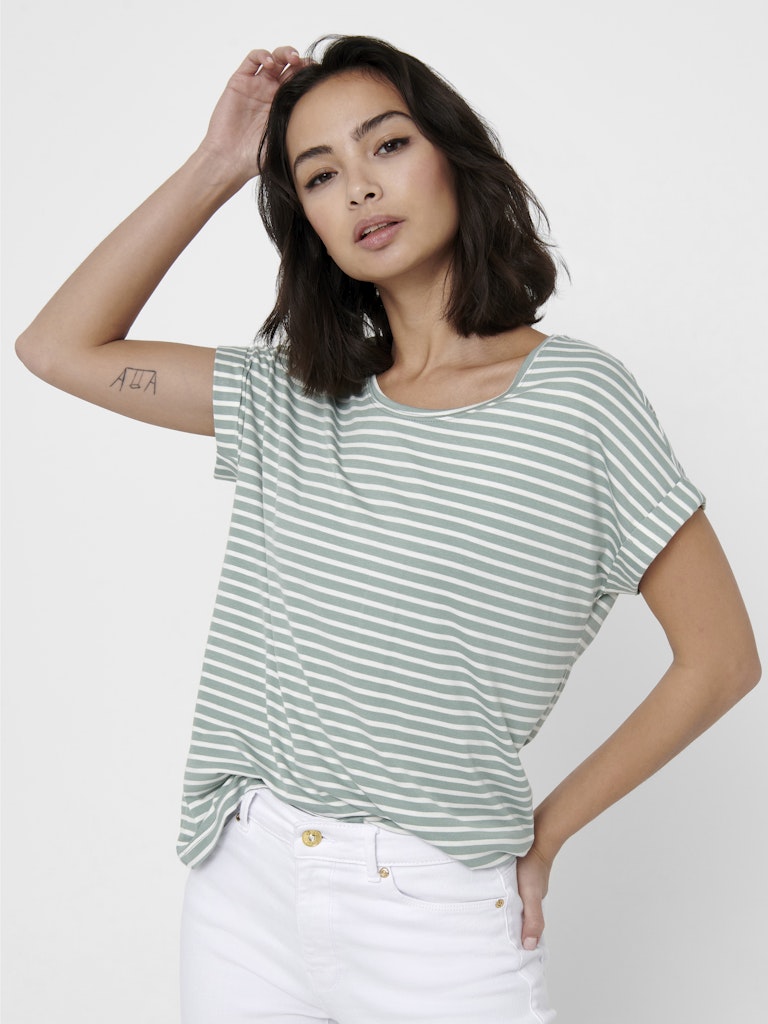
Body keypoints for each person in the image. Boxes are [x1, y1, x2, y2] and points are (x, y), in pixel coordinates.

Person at [15, 33, 760, 1024]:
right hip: (247, 883)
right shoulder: (293, 397)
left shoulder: (579, 399)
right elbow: (56, 347)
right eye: (320, 175)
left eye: (388, 145)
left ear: (454, 157)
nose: (360, 187)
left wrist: (548, 832)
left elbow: (721, 660)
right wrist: (218, 163)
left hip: (435, 902)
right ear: (308, 222)